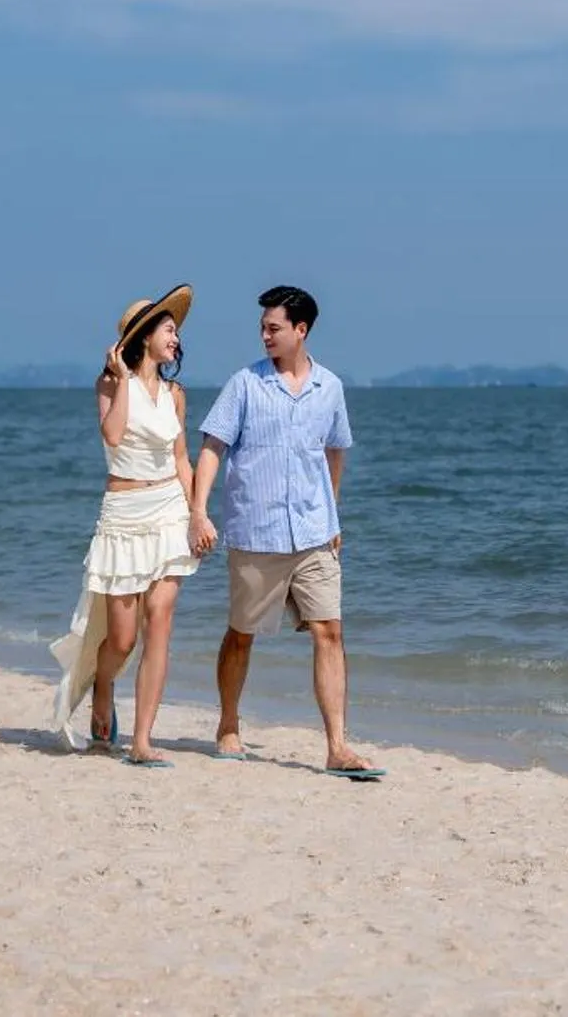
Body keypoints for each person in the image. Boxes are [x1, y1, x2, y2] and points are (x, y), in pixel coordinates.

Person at [192, 285, 379, 778]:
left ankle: (337, 746)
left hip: (315, 532)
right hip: (257, 532)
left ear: (302, 330)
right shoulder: (245, 385)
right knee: (242, 636)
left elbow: (335, 449)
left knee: (330, 632)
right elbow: (213, 447)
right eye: (262, 328)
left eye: (274, 328)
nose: (265, 335)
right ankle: (228, 725)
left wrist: (332, 514)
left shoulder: (330, 388)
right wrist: (199, 510)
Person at [49, 286, 216, 766]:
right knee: (121, 639)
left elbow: (181, 458)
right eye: (168, 329)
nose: (176, 338)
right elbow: (115, 434)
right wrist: (122, 378)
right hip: (123, 514)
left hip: (168, 510)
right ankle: (103, 686)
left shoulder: (176, 395)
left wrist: (198, 513)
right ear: (143, 337)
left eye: (176, 331)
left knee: (159, 620)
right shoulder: (109, 386)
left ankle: (142, 740)